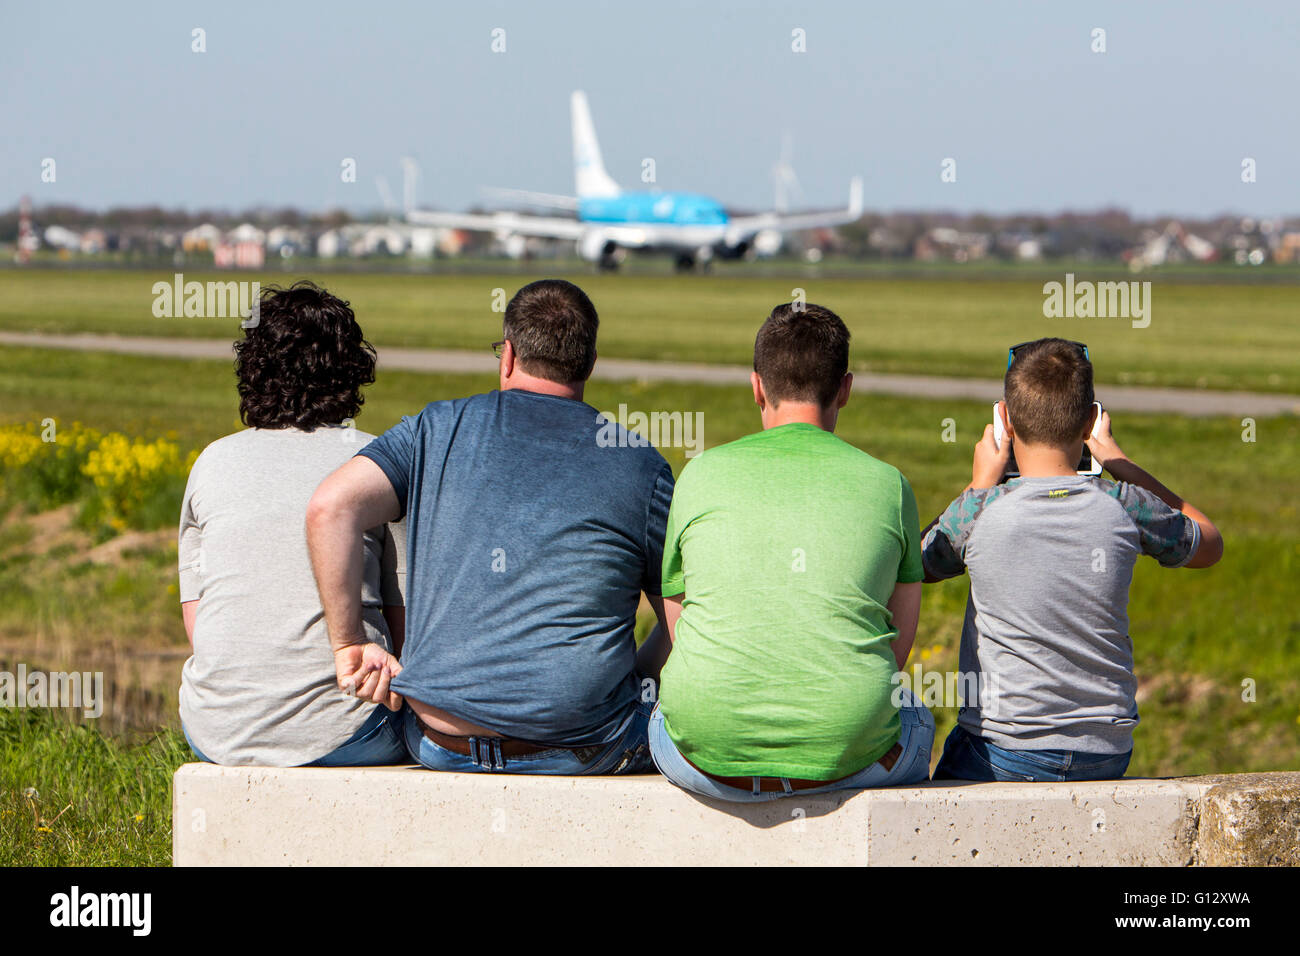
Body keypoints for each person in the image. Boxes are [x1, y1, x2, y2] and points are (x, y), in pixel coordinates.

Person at [306, 279, 673, 775]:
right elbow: (682, 620)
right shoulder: (639, 464)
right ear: (587, 364)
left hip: (439, 741)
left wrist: (349, 643)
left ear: (508, 355)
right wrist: (631, 679)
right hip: (584, 745)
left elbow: (330, 508)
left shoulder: (434, 429)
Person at [645, 302, 934, 802]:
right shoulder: (889, 484)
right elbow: (898, 648)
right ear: (845, 388)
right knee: (917, 714)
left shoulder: (699, 474)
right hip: (849, 753)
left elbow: (680, 624)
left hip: (703, 757)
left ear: (757, 386)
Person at [922, 337, 1223, 783]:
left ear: (1003, 419)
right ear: (1090, 421)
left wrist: (979, 482)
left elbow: (922, 562)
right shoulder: (1126, 505)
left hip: (1006, 750)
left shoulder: (980, 510)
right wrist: (1120, 462)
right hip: (1105, 751)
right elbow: (1210, 544)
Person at [178, 281, 407, 767]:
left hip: (213, 728)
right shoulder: (377, 461)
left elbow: (200, 619)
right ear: (351, 370)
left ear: (254, 369)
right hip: (351, 728)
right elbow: (405, 620)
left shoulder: (212, 462)